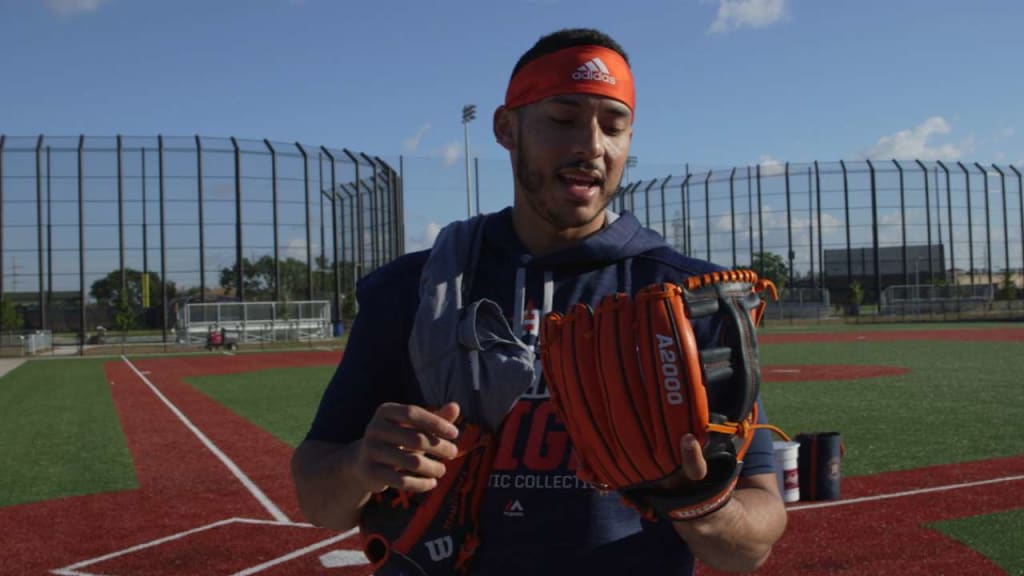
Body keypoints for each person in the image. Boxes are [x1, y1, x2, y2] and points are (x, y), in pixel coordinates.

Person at [291, 27, 787, 575]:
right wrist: (363, 464)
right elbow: (319, 501)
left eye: (613, 126)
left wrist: (698, 503)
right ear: (507, 128)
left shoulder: (688, 300)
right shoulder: (416, 288)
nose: (592, 145)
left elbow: (752, 545)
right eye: (563, 118)